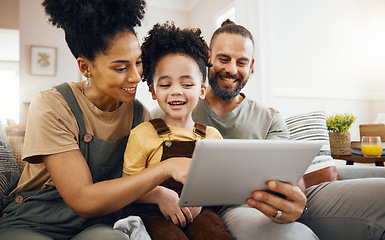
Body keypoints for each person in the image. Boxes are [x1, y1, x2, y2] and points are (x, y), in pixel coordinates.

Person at [153, 19, 385, 240]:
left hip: (260, 203)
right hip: (220, 212)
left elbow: (290, 177)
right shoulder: (175, 109)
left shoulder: (270, 118)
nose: (232, 69)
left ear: (251, 65)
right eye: (223, 59)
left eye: (242, 62)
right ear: (208, 58)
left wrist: (294, 195)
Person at [0, 1, 191, 239]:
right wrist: (166, 168)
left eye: (138, 62)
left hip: (96, 223)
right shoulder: (52, 105)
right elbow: (82, 199)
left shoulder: (139, 114)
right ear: (85, 67)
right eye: (121, 68)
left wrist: (159, 193)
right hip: (35, 220)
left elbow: (133, 181)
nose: (135, 76)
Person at [123, 22, 233, 240]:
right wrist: (160, 195)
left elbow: (220, 184)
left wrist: (200, 202)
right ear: (153, 91)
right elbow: (127, 185)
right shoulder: (143, 133)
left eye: (186, 84)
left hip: (199, 211)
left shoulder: (212, 136)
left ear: (202, 90)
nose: (175, 92)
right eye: (165, 85)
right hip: (153, 213)